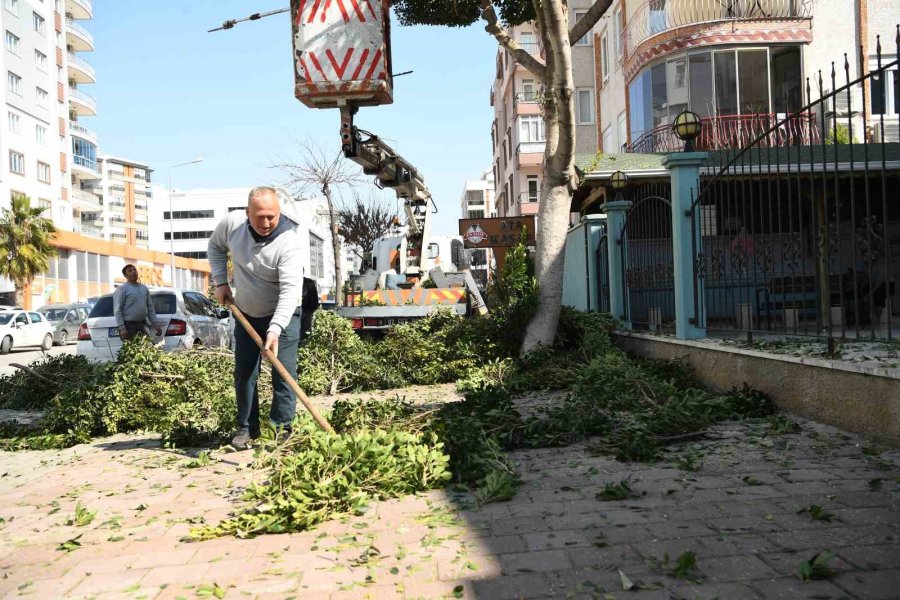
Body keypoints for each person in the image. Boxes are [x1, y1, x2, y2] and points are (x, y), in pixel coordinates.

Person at [208, 186, 304, 449]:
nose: (267, 223)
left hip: (282, 314)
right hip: (246, 313)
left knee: (283, 373)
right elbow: (215, 248)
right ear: (247, 212)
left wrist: (274, 330)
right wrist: (220, 282)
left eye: (272, 216)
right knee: (244, 372)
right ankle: (247, 429)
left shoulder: (289, 242)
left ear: (279, 212)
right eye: (260, 216)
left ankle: (281, 429)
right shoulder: (232, 225)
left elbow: (290, 292)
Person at [113, 264, 162, 341]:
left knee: (146, 350)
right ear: (125, 276)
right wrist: (122, 328)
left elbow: (150, 308)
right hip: (128, 327)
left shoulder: (144, 288)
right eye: (130, 271)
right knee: (131, 351)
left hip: (143, 326)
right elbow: (117, 309)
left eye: (134, 269)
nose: (133, 272)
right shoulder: (122, 289)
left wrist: (156, 324)